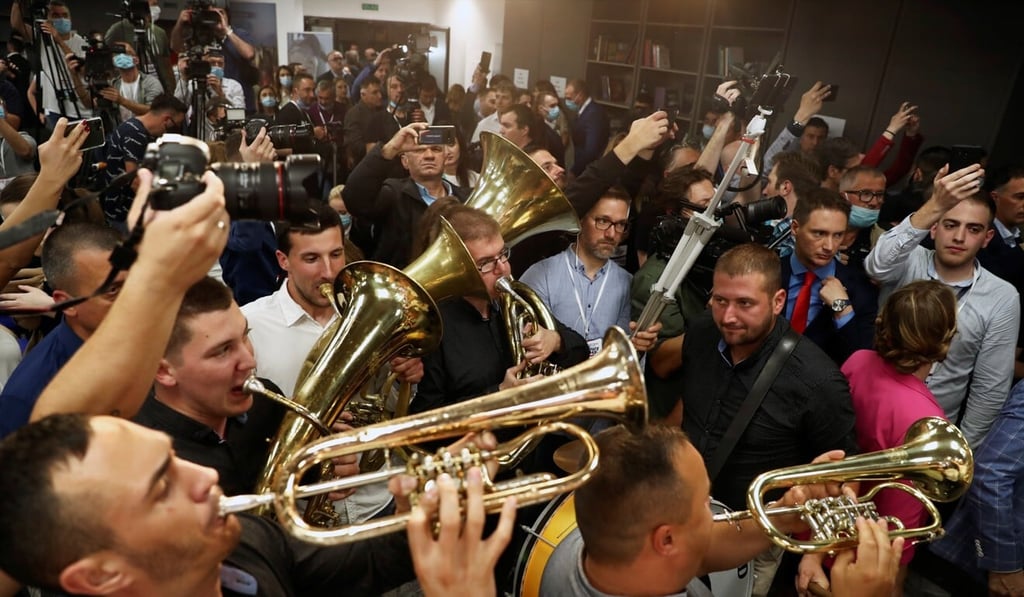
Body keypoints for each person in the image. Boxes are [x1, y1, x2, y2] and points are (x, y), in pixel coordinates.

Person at [539, 425, 903, 597]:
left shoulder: (587, 549)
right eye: (703, 503)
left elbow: (699, 549)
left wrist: (784, 514)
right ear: (666, 539)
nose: (712, 511)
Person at [798, 280, 957, 595]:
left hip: (817, 533)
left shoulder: (857, 361)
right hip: (863, 564)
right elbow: (900, 529)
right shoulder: (927, 422)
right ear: (945, 340)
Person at [673, 243, 858, 511]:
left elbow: (846, 478)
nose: (728, 317)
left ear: (778, 301)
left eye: (745, 303)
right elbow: (689, 408)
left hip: (757, 523)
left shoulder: (819, 381)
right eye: (720, 300)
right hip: (683, 503)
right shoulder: (702, 332)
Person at [864, 164, 1019, 448]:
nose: (959, 237)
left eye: (973, 229)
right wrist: (934, 205)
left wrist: (957, 451)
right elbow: (876, 266)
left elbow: (990, 389)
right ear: (934, 228)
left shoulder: (1001, 296)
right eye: (950, 224)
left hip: (929, 435)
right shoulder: (908, 259)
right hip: (868, 411)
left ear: (987, 238)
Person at [411, 203, 588, 414]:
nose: (503, 268)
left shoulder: (518, 301)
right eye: (486, 263)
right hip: (478, 436)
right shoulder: (435, 328)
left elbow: (581, 350)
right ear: (457, 269)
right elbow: (425, 415)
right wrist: (499, 395)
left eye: (503, 254)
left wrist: (555, 340)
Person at [0, 222, 126, 438]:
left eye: (136, 283)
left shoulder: (152, 334)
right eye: (112, 290)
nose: (132, 298)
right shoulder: (31, 395)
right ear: (66, 303)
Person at [521, 186, 660, 357]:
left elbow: (624, 355)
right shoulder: (540, 276)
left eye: (620, 225)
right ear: (580, 220)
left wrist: (638, 345)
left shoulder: (628, 282)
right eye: (602, 221)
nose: (611, 234)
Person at [344, 122, 470, 268]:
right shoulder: (392, 194)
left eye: (436, 149)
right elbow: (354, 199)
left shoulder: (466, 199)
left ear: (445, 158)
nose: (429, 155)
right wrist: (390, 149)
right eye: (419, 150)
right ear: (405, 161)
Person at [782, 188, 877, 365]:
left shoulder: (860, 289)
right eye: (819, 233)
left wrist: (841, 307)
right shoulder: (768, 273)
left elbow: (861, 361)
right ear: (795, 228)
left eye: (838, 235)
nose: (829, 246)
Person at [100, 93, 187, 226]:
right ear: (166, 120)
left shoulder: (141, 130)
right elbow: (135, 182)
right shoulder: (134, 134)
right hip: (124, 212)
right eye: (175, 126)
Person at [104, 0, 174, 93]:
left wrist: (170, 90)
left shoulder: (159, 32)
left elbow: (167, 66)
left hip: (158, 89)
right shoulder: (118, 30)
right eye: (152, 4)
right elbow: (104, 56)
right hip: (130, 88)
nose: (156, 5)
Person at [98, 41, 164, 125]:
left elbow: (153, 111)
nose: (122, 56)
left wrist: (122, 101)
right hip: (122, 130)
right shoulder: (113, 85)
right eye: (118, 55)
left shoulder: (151, 83)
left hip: (146, 128)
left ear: (136, 60)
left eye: (126, 54)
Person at [564, 78, 610, 176]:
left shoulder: (594, 113)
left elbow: (591, 150)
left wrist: (575, 171)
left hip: (588, 170)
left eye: (569, 98)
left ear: (580, 95)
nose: (567, 101)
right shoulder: (584, 111)